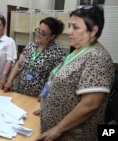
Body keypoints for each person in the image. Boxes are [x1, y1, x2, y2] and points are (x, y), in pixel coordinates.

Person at [36, 5, 115, 141]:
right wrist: (47, 104)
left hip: (73, 135)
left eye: (75, 27)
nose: (69, 32)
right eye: (69, 26)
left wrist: (58, 129)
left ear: (93, 31)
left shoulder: (97, 58)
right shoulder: (77, 51)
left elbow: (90, 104)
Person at [3, 17, 65, 98]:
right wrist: (9, 81)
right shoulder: (31, 46)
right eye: (39, 30)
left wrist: (44, 94)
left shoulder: (57, 53)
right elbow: (18, 64)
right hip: (21, 92)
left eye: (43, 33)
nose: (39, 35)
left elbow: (55, 79)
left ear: (52, 36)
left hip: (38, 97)